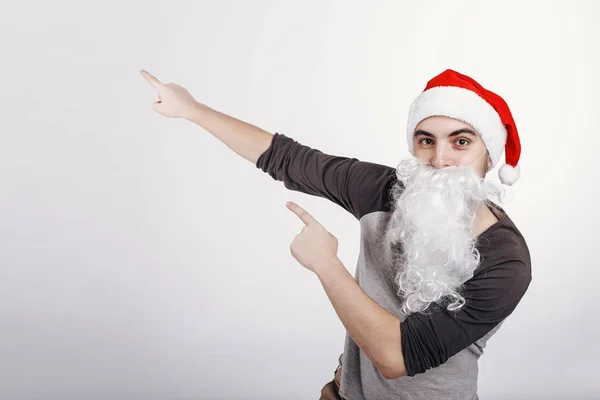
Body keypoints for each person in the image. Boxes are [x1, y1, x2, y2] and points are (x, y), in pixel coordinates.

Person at [140, 68, 532, 400]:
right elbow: (287, 158)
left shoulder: (506, 260)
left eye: (461, 141)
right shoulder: (384, 190)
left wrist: (326, 264)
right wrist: (192, 110)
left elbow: (396, 357)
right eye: (426, 140)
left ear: (488, 153)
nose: (440, 159)